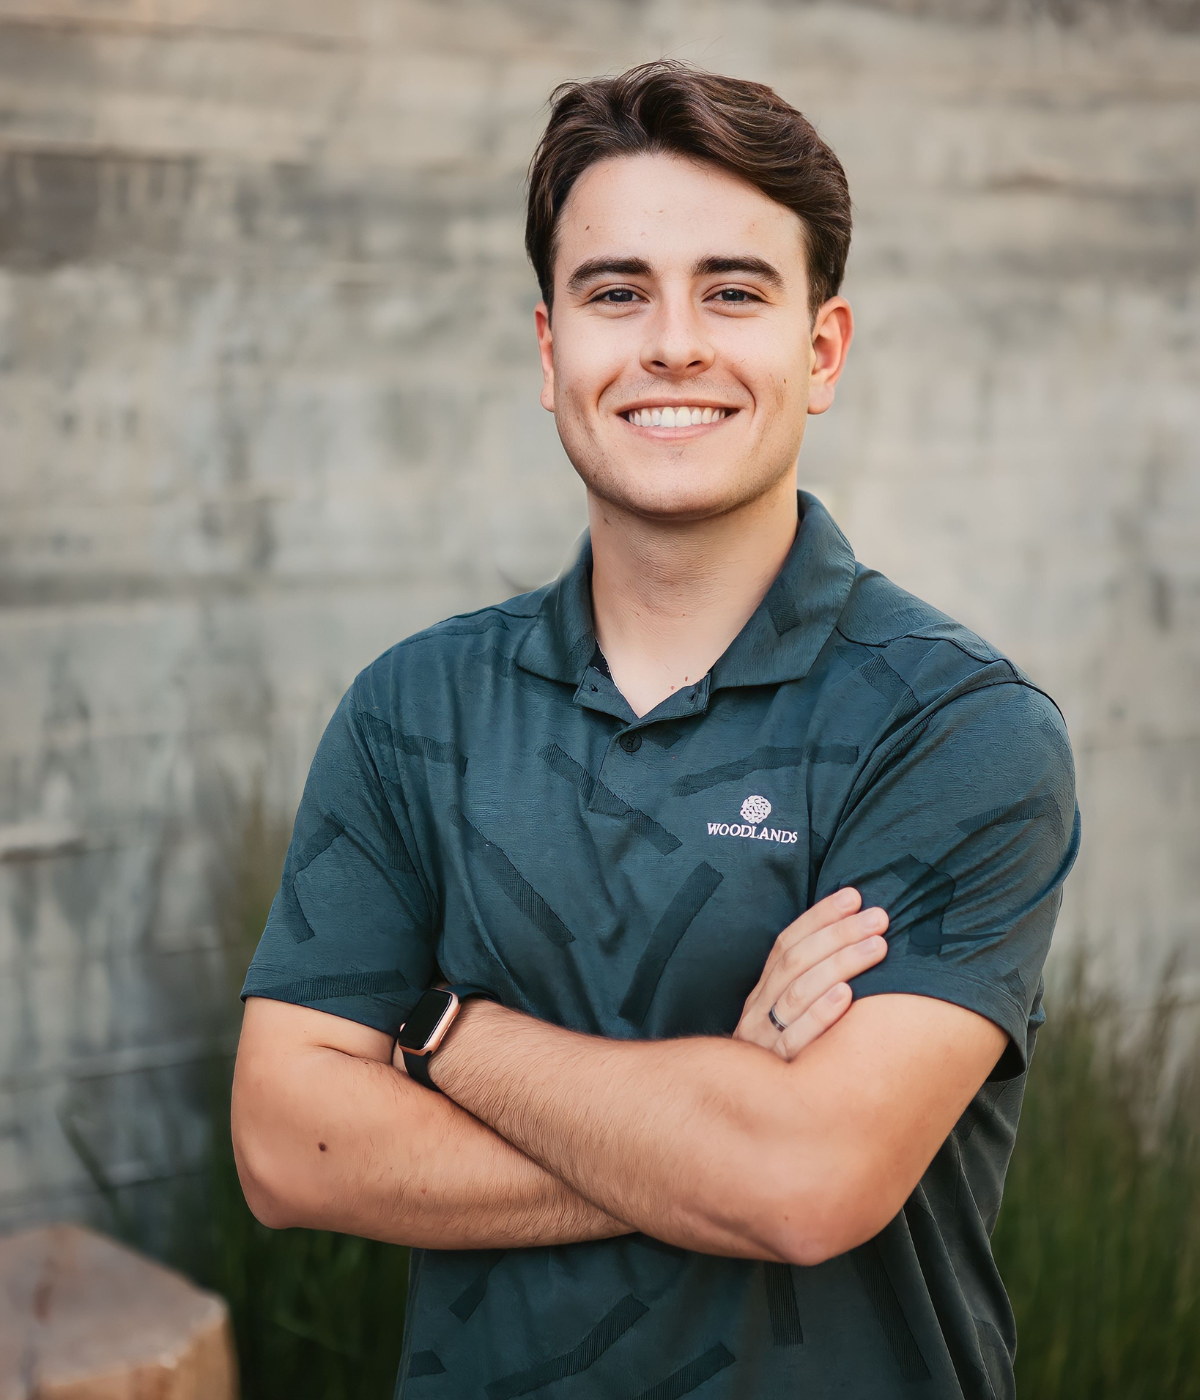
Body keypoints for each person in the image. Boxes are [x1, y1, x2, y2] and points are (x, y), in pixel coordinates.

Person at [232, 61, 1079, 1400]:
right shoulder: (416, 712)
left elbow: (803, 1181)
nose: (672, 343)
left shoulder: (953, 730)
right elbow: (287, 1148)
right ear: (549, 349)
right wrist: (712, 1126)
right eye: (616, 291)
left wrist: (449, 1036)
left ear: (821, 352)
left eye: (732, 291)